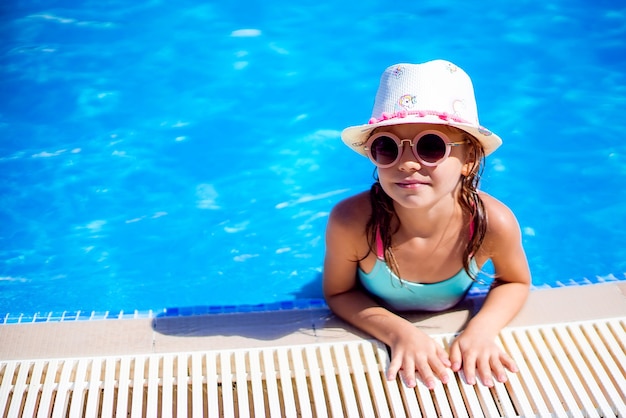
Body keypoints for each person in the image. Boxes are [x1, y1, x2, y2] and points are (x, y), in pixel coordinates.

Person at [323, 60, 531, 389]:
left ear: (470, 159)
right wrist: (400, 333)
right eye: (387, 147)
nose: (406, 163)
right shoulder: (352, 222)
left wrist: (481, 330)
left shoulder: (493, 223)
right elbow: (339, 292)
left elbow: (514, 282)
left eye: (431, 146)